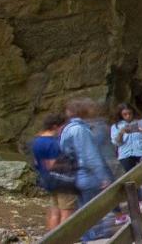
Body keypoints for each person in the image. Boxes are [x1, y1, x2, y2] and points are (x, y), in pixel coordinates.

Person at [60, 98, 116, 240]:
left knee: (85, 213)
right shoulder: (80, 130)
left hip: (75, 176)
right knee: (94, 214)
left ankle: (89, 238)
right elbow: (90, 155)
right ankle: (94, 239)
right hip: (87, 175)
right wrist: (103, 176)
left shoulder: (67, 130)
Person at [30, 113, 75, 230]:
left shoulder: (36, 141)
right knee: (66, 212)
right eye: (62, 127)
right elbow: (52, 164)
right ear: (55, 127)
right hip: (61, 182)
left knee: (54, 212)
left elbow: (36, 162)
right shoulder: (52, 143)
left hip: (46, 180)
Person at [112, 104, 142, 172]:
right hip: (126, 154)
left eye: (130, 113)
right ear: (121, 115)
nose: (128, 116)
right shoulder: (116, 126)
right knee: (131, 176)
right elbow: (117, 143)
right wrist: (121, 133)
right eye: (125, 114)